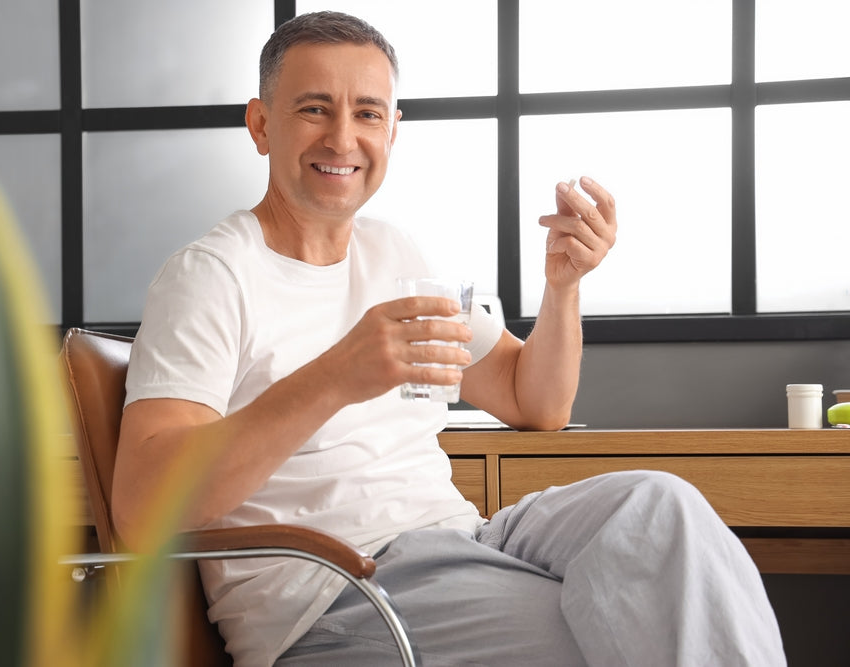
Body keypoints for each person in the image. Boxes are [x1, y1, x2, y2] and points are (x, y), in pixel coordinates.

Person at [112, 10, 785, 667]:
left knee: (661, 507)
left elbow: (534, 400)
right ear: (261, 124)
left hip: (465, 539)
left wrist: (564, 286)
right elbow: (144, 505)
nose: (343, 138)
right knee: (622, 629)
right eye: (314, 109)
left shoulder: (397, 252)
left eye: (368, 113)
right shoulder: (210, 276)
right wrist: (337, 375)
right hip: (338, 596)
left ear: (393, 130)